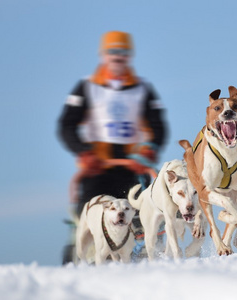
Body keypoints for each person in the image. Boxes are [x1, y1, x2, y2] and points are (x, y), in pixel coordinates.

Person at [58, 31, 168, 263]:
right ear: (104, 55)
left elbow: (158, 125)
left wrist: (149, 148)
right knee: (89, 215)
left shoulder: (143, 89)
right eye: (113, 52)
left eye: (123, 52)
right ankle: (83, 256)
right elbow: (67, 124)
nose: (118, 56)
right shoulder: (86, 87)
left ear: (130, 56)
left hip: (133, 168)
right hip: (97, 169)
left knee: (147, 216)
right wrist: (83, 152)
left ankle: (149, 259)